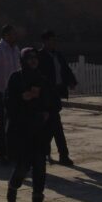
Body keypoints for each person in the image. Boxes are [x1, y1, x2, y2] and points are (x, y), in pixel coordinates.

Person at [5, 46, 55, 202]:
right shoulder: (16, 78)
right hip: (21, 129)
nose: (33, 60)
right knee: (23, 165)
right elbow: (8, 101)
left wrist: (47, 112)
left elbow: (50, 101)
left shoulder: (41, 79)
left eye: (35, 57)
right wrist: (22, 97)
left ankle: (37, 201)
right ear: (23, 60)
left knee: (40, 166)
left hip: (39, 129)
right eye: (29, 57)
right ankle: (13, 185)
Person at [38, 30, 77, 166]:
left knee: (51, 125)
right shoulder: (39, 56)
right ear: (45, 42)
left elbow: (65, 70)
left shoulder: (58, 55)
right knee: (55, 125)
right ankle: (63, 155)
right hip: (45, 95)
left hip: (56, 93)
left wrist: (71, 81)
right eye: (51, 40)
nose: (54, 43)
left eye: (55, 40)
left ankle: (44, 151)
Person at [0, 24, 21, 163]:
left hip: (14, 91)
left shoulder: (16, 50)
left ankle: (12, 150)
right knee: (3, 121)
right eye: (13, 34)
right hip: (0, 90)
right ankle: (2, 153)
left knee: (13, 122)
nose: (15, 36)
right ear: (6, 35)